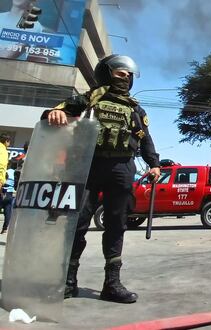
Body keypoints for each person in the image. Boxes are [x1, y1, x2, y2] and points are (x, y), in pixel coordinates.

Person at [43, 54, 161, 304]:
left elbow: (146, 140)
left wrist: (155, 165)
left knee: (117, 224)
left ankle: (112, 283)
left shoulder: (135, 108)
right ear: (107, 73)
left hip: (122, 168)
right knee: (77, 222)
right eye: (121, 73)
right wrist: (54, 114)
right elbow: (54, 113)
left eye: (129, 75)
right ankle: (68, 281)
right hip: (87, 165)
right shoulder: (89, 99)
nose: (126, 77)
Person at [1, 164, 15, 234]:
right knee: (8, 212)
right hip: (10, 194)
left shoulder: (6, 171)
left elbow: (3, 181)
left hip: (3, 192)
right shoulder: (15, 172)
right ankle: (5, 228)